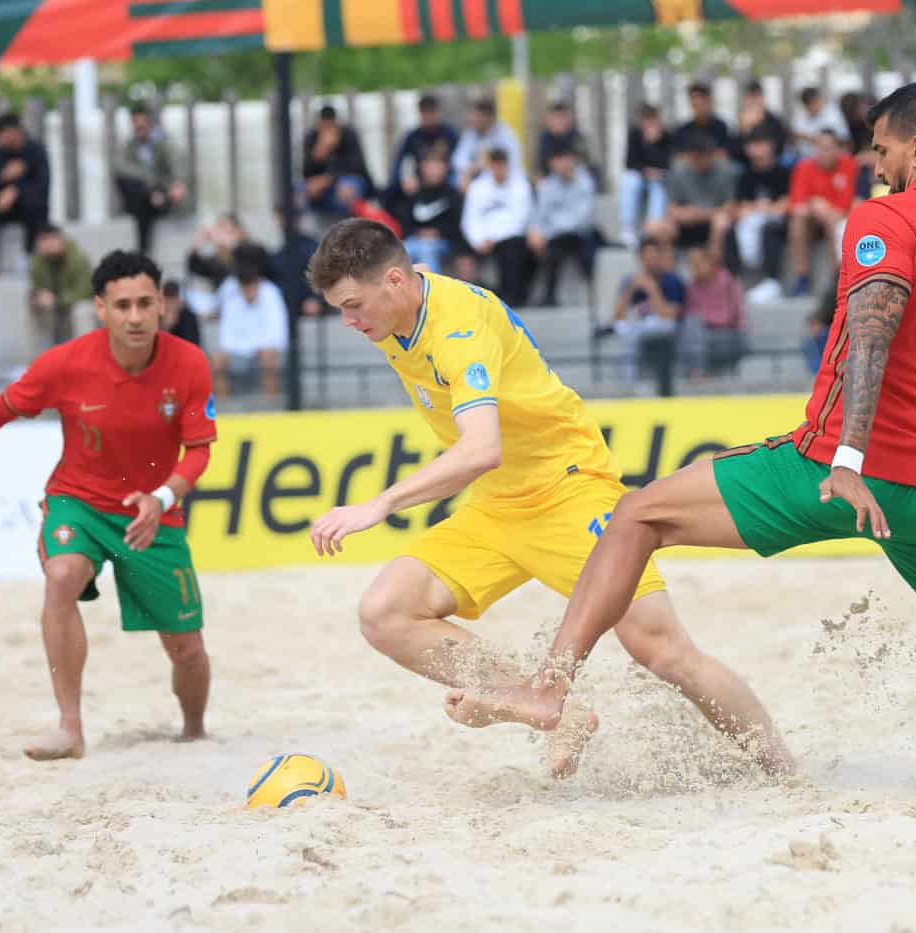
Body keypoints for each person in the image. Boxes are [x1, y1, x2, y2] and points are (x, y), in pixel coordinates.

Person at [442, 81, 916, 775]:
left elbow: (873, 329)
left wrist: (848, 457)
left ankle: (550, 682)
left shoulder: (887, 217)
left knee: (636, 513)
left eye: (881, 149)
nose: (875, 165)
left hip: (832, 469)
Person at [303, 219, 791, 779]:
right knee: (385, 613)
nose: (348, 321)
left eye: (353, 305)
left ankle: (783, 772)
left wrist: (380, 504)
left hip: (569, 489)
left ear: (394, 280)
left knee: (662, 649)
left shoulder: (457, 327)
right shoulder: (395, 315)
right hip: (498, 505)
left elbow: (482, 447)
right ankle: (557, 708)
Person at [0, 251, 216, 761]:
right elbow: (4, 409)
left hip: (154, 514)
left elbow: (199, 450)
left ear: (162, 304)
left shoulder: (188, 363)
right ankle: (69, 728)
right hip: (79, 503)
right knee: (61, 576)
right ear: (100, 307)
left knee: (187, 649)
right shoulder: (64, 363)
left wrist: (161, 498)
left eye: (144, 303)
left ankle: (195, 728)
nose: (134, 317)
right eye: (122, 305)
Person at [787, 130, 858, 297]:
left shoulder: (848, 164)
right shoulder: (803, 167)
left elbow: (844, 206)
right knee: (797, 221)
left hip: (837, 219)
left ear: (838, 149)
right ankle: (802, 276)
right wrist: (815, 205)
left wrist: (823, 207)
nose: (824, 152)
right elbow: (798, 205)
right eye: (820, 147)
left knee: (832, 219)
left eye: (829, 148)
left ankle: (838, 276)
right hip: (813, 219)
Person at [461, 147, 534, 309]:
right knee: (463, 256)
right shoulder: (478, 187)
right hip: (482, 238)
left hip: (509, 236)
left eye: (501, 165)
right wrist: (479, 239)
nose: (498, 170)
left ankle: (511, 297)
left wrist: (495, 238)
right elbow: (470, 219)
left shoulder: (520, 185)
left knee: (513, 248)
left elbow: (521, 218)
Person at [528, 142, 599, 307]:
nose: (562, 164)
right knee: (543, 249)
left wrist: (551, 229)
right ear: (552, 163)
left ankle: (590, 300)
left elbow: (582, 218)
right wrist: (536, 231)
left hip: (580, 234)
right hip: (556, 236)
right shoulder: (547, 185)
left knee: (585, 251)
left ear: (573, 160)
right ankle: (548, 296)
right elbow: (540, 214)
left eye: (565, 159)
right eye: (558, 160)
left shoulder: (585, 182)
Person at [212, 244, 288, 397]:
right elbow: (226, 334)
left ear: (257, 283)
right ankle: (224, 410)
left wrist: (262, 347)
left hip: (264, 349)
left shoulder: (271, 294)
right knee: (216, 360)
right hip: (238, 351)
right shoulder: (230, 295)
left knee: (269, 358)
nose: (248, 291)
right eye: (244, 287)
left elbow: (278, 331)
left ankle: (270, 406)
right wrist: (239, 349)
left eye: (251, 287)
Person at [611, 236, 685, 394]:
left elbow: (670, 315)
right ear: (640, 258)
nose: (651, 261)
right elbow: (617, 316)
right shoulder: (630, 281)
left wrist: (652, 289)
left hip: (665, 326)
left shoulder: (671, 280)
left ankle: (635, 384)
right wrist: (630, 291)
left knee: (646, 329)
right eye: (647, 257)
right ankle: (630, 386)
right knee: (626, 331)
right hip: (639, 325)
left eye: (654, 257)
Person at [113, 105, 188, 254]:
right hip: (146, 195)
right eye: (136, 125)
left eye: (143, 125)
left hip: (162, 193)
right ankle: (152, 197)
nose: (139, 128)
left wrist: (177, 183)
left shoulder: (163, 142)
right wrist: (149, 184)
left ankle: (143, 250)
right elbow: (120, 167)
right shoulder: (130, 145)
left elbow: (177, 163)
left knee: (143, 207)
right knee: (127, 182)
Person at [730, 128, 792, 302]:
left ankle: (772, 282)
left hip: (778, 222)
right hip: (753, 219)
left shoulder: (783, 172)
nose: (758, 150)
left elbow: (786, 204)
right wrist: (760, 208)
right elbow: (739, 205)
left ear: (771, 146)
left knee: (769, 230)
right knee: (730, 230)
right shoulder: (745, 176)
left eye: (761, 145)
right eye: (754, 145)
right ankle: (734, 281)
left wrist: (764, 208)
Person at [658, 134, 739, 251]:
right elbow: (671, 208)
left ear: (711, 156)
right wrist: (684, 213)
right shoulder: (678, 170)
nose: (697, 161)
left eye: (701, 157)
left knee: (721, 222)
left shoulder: (725, 171)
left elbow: (731, 207)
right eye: (694, 157)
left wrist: (702, 214)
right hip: (686, 221)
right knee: (661, 227)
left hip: (713, 218)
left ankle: (714, 264)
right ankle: (667, 266)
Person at [681, 245, 747, 378]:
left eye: (698, 263)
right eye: (691, 264)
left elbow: (727, 318)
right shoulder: (692, 287)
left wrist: (702, 318)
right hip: (705, 337)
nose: (694, 268)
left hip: (733, 335)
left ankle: (697, 371)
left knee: (693, 324)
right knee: (687, 328)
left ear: (710, 262)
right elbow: (687, 315)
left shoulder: (726, 281)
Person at [0, 112, 51, 256]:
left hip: (30, 208)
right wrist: (2, 178)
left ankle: (31, 255)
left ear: (15, 133)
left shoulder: (36, 151)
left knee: (33, 204)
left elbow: (43, 189)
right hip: (0, 206)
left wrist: (16, 189)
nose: (0, 141)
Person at [28, 225, 93, 349]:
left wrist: (56, 300)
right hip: (55, 306)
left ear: (62, 240)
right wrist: (36, 299)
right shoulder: (37, 262)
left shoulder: (78, 258)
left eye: (53, 239)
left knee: (81, 310)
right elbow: (35, 288)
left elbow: (85, 292)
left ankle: (84, 359)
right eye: (44, 240)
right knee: (36, 310)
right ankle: (40, 362)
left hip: (77, 304)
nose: (49, 244)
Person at [302, 106, 374, 216]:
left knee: (348, 188)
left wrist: (328, 179)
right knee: (299, 192)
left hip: (345, 179)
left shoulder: (348, 134)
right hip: (319, 183)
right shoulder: (311, 137)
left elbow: (356, 166)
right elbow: (306, 171)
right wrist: (321, 150)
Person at [400, 152, 465, 274]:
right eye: (430, 166)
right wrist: (419, 233)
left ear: (445, 168)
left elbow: (458, 226)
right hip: (415, 239)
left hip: (443, 242)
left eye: (438, 166)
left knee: (426, 249)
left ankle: (432, 290)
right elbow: (404, 223)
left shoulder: (452, 194)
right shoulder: (414, 192)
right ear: (423, 168)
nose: (434, 171)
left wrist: (437, 233)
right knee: (400, 250)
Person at [620, 104, 673, 247]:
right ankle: (628, 226)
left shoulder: (666, 137)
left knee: (659, 188)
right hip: (640, 176)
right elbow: (630, 162)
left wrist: (655, 143)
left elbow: (668, 163)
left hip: (659, 179)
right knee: (629, 180)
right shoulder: (635, 135)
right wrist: (646, 170)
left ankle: (652, 228)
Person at [388, 93, 460, 198]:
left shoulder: (449, 134)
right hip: (421, 179)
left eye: (431, 112)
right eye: (425, 112)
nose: (428, 117)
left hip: (446, 177)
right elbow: (398, 160)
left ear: (437, 112)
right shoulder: (413, 136)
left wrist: (443, 171)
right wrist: (403, 179)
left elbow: (460, 159)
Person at [450, 98, 524, 194]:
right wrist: (469, 171)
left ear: (488, 118)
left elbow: (513, 162)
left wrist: (483, 165)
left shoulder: (505, 134)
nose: (472, 119)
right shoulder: (470, 133)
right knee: (455, 180)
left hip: (500, 177)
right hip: (474, 177)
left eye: (476, 116)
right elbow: (458, 159)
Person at [731, 81, 790, 166]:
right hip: (746, 163)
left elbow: (780, 146)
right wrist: (744, 129)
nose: (754, 102)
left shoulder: (773, 119)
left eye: (757, 97)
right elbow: (734, 151)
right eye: (750, 97)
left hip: (772, 162)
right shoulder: (741, 120)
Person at [672, 82, 733, 159]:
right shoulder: (684, 130)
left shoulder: (720, 127)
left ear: (709, 101)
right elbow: (678, 155)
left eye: (701, 103)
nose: (698, 108)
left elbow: (724, 153)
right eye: (695, 104)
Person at [535, 101, 593, 178]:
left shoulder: (576, 135)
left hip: (574, 175)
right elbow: (543, 164)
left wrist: (568, 165)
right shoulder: (545, 137)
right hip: (552, 177)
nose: (559, 122)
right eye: (556, 118)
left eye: (562, 117)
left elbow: (582, 160)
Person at [791, 86, 849, 156]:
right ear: (806, 105)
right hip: (804, 158)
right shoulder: (800, 115)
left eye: (818, 100)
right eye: (812, 103)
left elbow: (844, 138)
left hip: (830, 157)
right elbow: (794, 135)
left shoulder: (833, 112)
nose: (819, 103)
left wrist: (815, 138)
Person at [159, 280, 200, 347]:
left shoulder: (188, 318)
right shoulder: (158, 315)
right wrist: (166, 326)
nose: (171, 305)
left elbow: (193, 345)